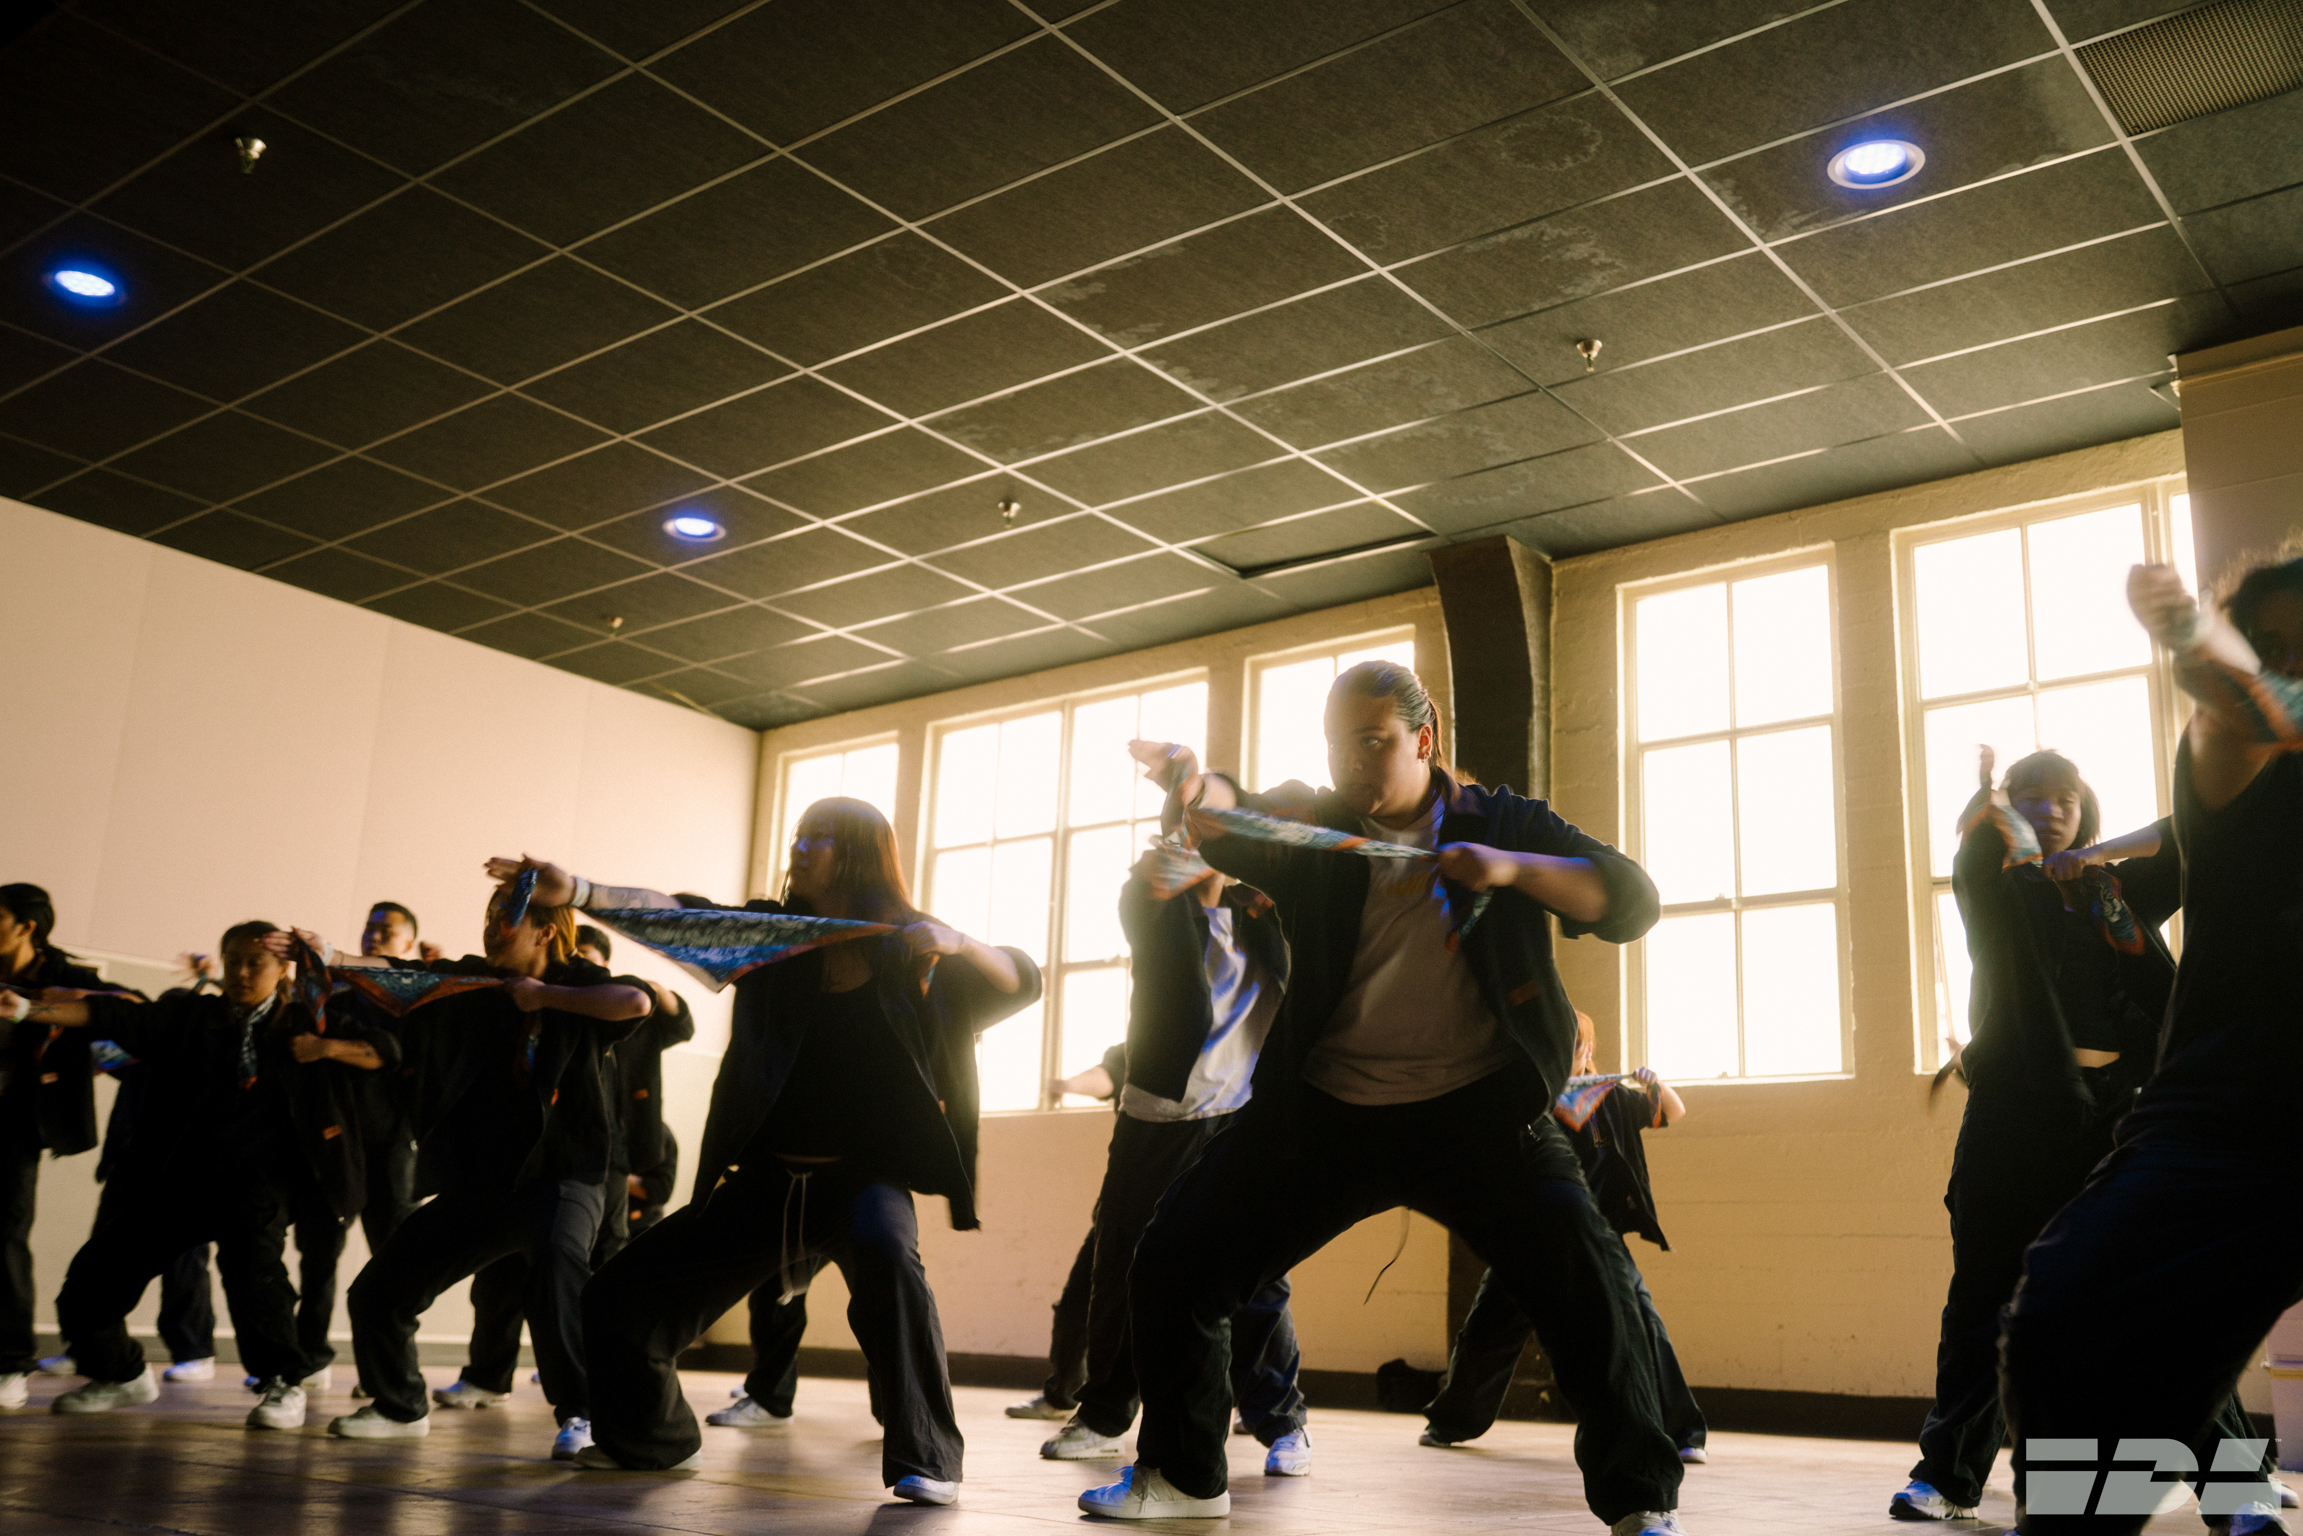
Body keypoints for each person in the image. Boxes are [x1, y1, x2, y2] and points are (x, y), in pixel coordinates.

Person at [1080, 661, 1684, 1535]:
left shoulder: (1501, 820)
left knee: (1593, 1291)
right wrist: (1189, 778)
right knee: (1173, 1259)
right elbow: (1229, 817)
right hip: (1328, 1113)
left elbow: (1628, 902)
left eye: (1372, 743)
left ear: (1422, 741)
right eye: (1337, 746)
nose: (1351, 765)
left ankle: (1638, 1504)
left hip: (1482, 1116)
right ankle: (1182, 1475)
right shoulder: (1315, 824)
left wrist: (1510, 870)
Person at [522, 795, 1039, 1506]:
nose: (800, 848)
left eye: (819, 837)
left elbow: (1019, 978)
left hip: (862, 1179)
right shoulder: (772, 937)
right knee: (615, 1296)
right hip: (767, 1178)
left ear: (858, 853)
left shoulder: (907, 949)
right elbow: (673, 912)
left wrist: (956, 942)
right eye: (798, 835)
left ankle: (927, 1458)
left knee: (888, 1258)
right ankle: (654, 1440)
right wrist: (577, 892)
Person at [2000, 559, 2303, 1536]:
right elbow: (2241, 707)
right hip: (2228, 1124)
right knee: (2069, 1322)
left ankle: (2236, 1496)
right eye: (2276, 646)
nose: (2289, 669)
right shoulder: (2237, 762)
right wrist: (2189, 634)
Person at [1891, 744, 2268, 1522]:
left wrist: (2104, 855)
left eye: (2063, 797)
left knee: (2153, 1296)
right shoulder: (1999, 888)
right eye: (2029, 796)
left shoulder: (2118, 888)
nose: (2048, 808)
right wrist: (1993, 812)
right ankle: (1948, 1476)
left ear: (2084, 807)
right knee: (1986, 1292)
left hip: (2115, 1108)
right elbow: (1978, 851)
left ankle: (2233, 1488)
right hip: (2014, 1108)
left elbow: (2190, 826)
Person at [5, 921, 392, 1430]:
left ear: (282, 972)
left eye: (256, 962)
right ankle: (121, 1374)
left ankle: (282, 1382)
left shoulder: (311, 1020)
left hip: (261, 1181)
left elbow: (385, 1049)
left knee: (254, 1274)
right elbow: (116, 1013)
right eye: (233, 960)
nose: (243, 971)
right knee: (92, 1281)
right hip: (183, 1175)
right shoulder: (193, 1016)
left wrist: (325, 1050)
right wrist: (29, 1008)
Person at [321, 882, 652, 1459]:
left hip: (563, 1177)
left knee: (555, 1274)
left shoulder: (577, 982)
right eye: (490, 913)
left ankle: (584, 1413)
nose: (490, 925)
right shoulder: (477, 981)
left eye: (505, 916)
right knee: (379, 1290)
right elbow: (405, 976)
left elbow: (636, 1002)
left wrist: (544, 995)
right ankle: (399, 1406)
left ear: (545, 930)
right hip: (486, 1182)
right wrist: (333, 957)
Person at [1043, 776, 1310, 1476]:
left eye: (1224, 809)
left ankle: (1281, 1422)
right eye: (1197, 809)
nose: (1210, 821)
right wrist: (1181, 786)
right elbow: (1154, 880)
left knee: (1255, 1279)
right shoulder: (1154, 904)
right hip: (1154, 1117)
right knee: (1123, 1267)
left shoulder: (1265, 916)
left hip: (1237, 1119)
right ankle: (1103, 1414)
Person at [1423, 1012, 1704, 1462]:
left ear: (1588, 1051)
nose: (1568, 1053)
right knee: (1486, 1334)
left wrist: (1654, 1083)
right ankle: (1450, 1422)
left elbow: (1673, 1111)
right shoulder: (1528, 1100)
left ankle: (1684, 1433)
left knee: (1642, 1324)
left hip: (1599, 1238)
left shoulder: (1612, 1099)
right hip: (1528, 1236)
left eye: (1575, 1045)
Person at [436, 924, 694, 1413]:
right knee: (502, 1275)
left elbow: (678, 1022)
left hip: (607, 1159)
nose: (580, 975)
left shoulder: (617, 1006)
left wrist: (659, 984)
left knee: (595, 1269)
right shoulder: (535, 1005)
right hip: (540, 1157)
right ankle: (489, 1375)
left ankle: (598, 1389)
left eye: (591, 965)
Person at [0, 884, 127, 1410]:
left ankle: (9, 1363)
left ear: (26, 927)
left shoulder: (66, 978)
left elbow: (126, 1005)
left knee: (4, 1233)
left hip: (14, 1120)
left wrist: (36, 1008)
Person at [1006, 1048, 1129, 1424]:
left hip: (1195, 1204)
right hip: (1122, 1210)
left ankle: (1272, 1412)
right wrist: (1068, 1084)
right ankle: (1064, 1395)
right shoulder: (1136, 1046)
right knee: (1079, 1301)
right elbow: (1107, 1076)